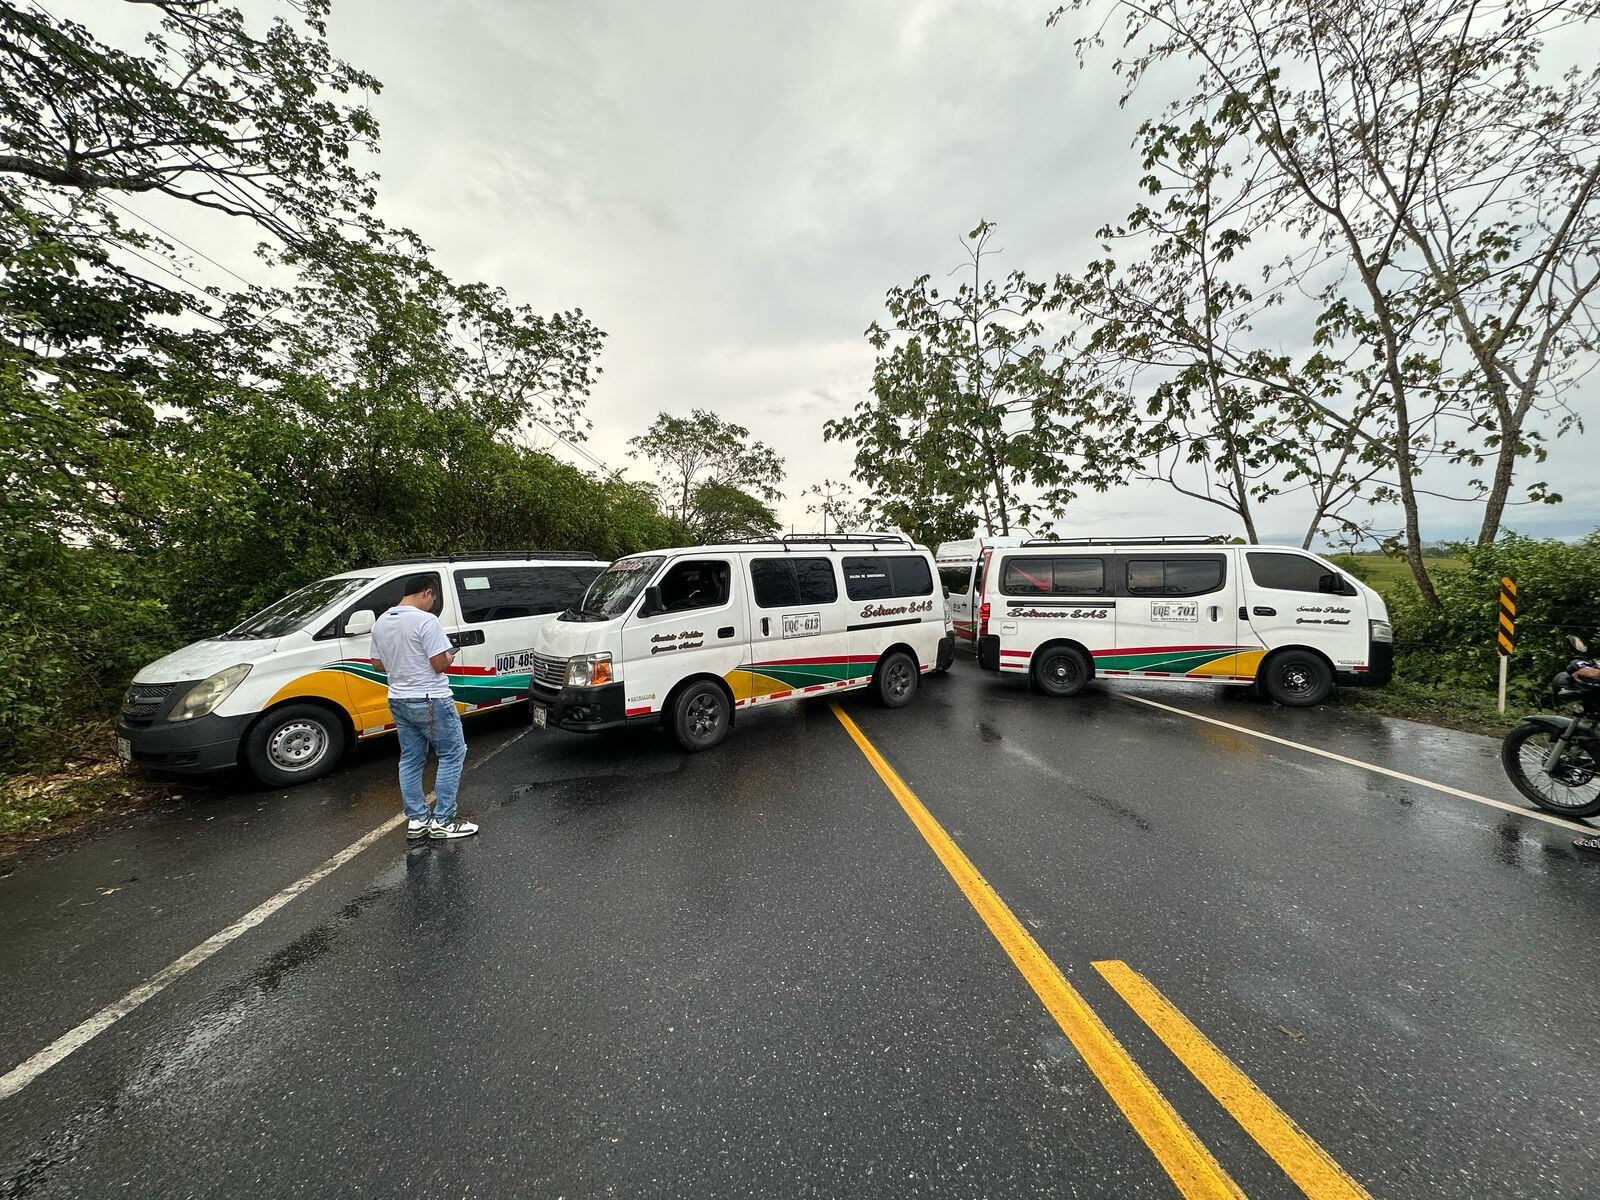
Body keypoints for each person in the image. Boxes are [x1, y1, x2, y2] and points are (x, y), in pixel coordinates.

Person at [369, 575, 479, 841]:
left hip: (398, 698)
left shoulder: (382, 622)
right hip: (431, 698)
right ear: (427, 593)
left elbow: (377, 664)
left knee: (410, 759)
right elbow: (439, 664)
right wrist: (450, 655)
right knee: (452, 754)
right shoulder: (426, 620)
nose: (433, 605)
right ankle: (443, 820)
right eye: (434, 599)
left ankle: (417, 820)